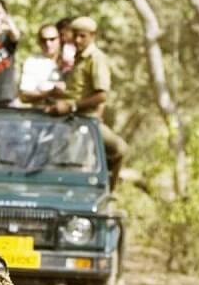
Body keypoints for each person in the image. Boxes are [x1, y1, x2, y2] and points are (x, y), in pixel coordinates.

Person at [44, 16, 128, 191]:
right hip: (70, 117)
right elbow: (78, 89)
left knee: (119, 149)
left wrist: (72, 106)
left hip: (86, 119)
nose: (77, 40)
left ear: (93, 36)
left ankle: (109, 192)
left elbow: (101, 95)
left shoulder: (96, 59)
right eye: (74, 36)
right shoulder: (79, 57)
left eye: (82, 36)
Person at [18, 24, 63, 106]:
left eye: (52, 39)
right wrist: (49, 93)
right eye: (43, 40)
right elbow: (24, 96)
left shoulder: (71, 59)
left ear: (60, 39)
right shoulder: (32, 62)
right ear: (38, 42)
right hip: (40, 114)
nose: (48, 44)